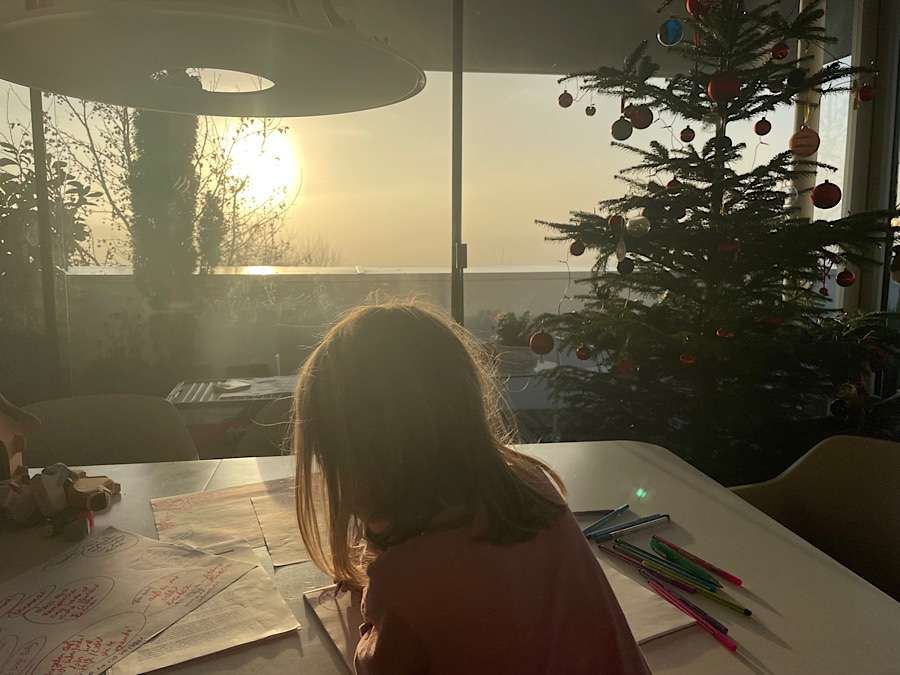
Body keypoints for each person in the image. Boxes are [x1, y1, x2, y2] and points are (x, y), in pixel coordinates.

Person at [293, 302, 651, 675]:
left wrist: (376, 610)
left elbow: (375, 665)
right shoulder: (533, 489)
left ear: (361, 463)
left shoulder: (407, 581)